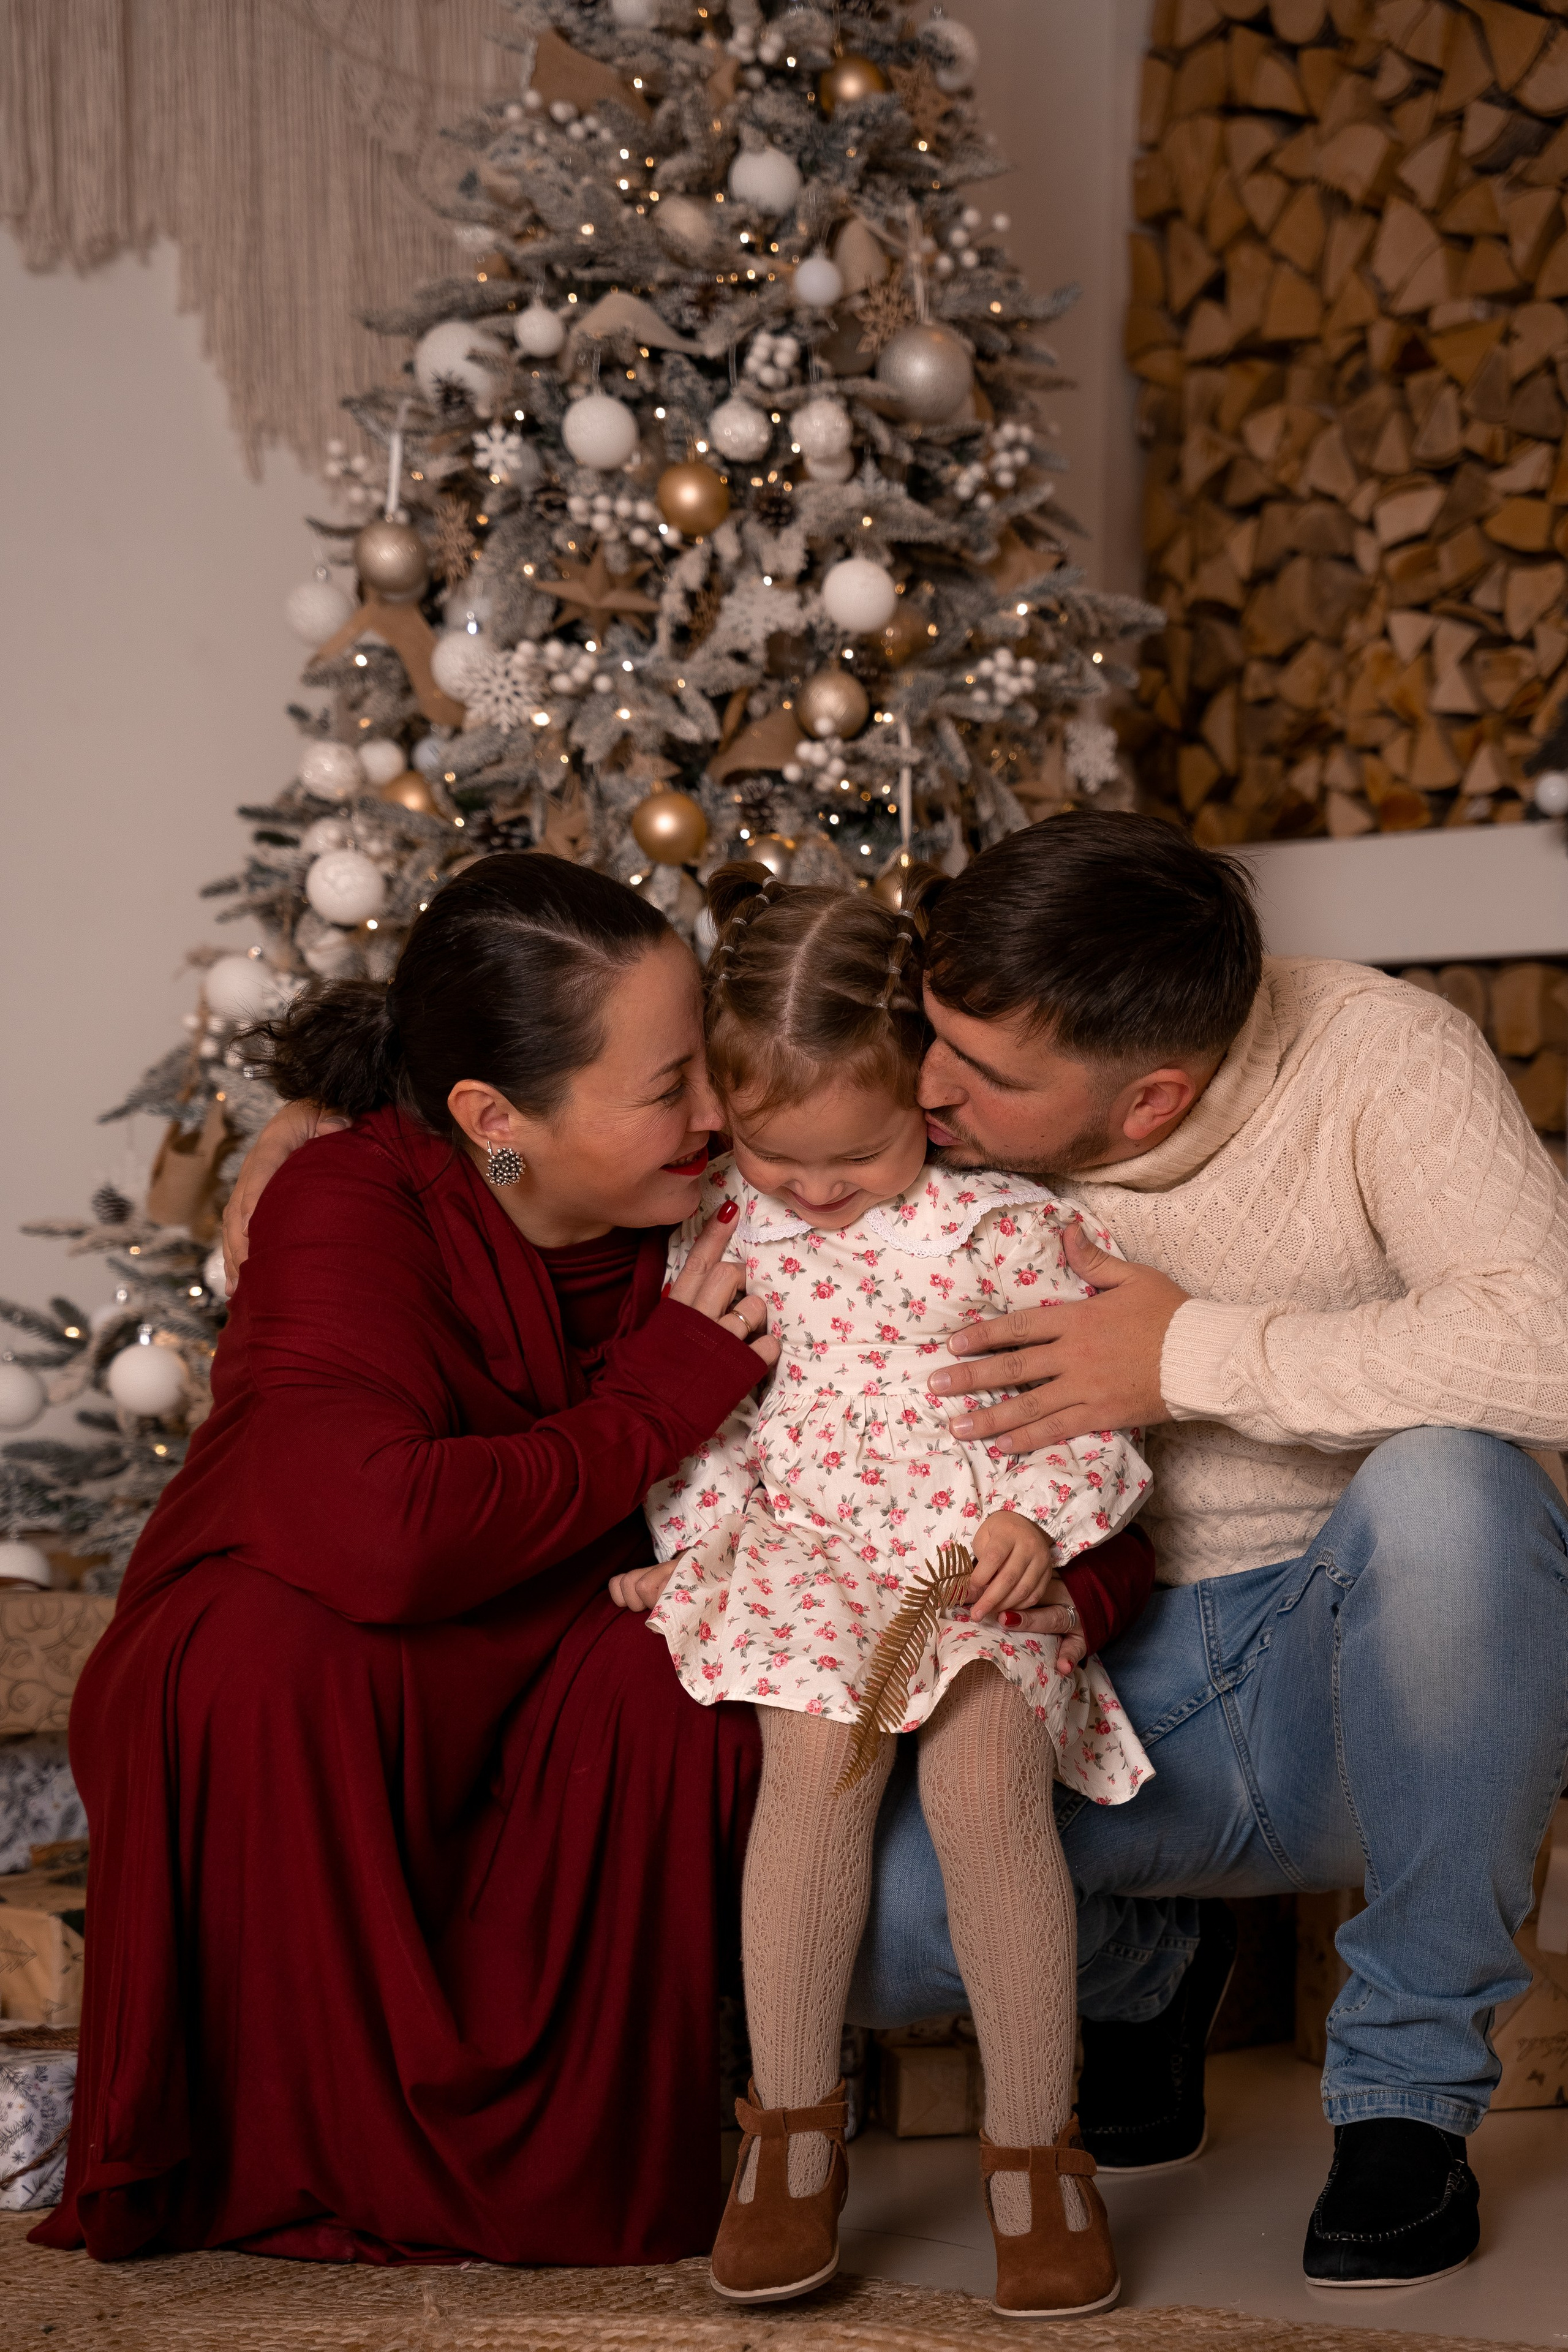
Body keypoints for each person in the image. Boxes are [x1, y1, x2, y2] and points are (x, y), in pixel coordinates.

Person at [849, 809, 1568, 2292]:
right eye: (931, 1039)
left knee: (1451, 1483)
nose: (925, 1089)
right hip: (1110, 1677)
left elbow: (1547, 1347)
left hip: (1372, 1678)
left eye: (986, 1074)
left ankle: (1405, 2099)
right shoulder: (931, 1125)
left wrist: (1186, 1357)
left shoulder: (1381, 1054)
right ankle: (1149, 1977)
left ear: (1148, 1102)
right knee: (873, 1933)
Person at [36, 854, 785, 2265]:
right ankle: (294, 2146)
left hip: (572, 1607)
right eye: (668, 1087)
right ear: (494, 1120)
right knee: (261, 1657)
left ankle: (567, 2163)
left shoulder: (759, 1195)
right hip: (348, 1619)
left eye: (715, 1064)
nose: (717, 1114)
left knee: (672, 1680)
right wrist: (654, 1402)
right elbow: (380, 1540)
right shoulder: (348, 1200)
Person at [609, 867, 1157, 2319]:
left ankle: (1036, 2154)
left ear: (922, 1085)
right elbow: (711, 1419)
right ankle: (788, 2136)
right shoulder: (726, 1230)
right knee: (813, 1776)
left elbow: (1100, 1405)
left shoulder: (1007, 1230)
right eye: (774, 1154)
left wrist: (1041, 1522)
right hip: (809, 1564)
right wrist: (703, 1555)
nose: (810, 1189)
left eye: (850, 1154)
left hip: (970, 1560)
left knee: (985, 1793)